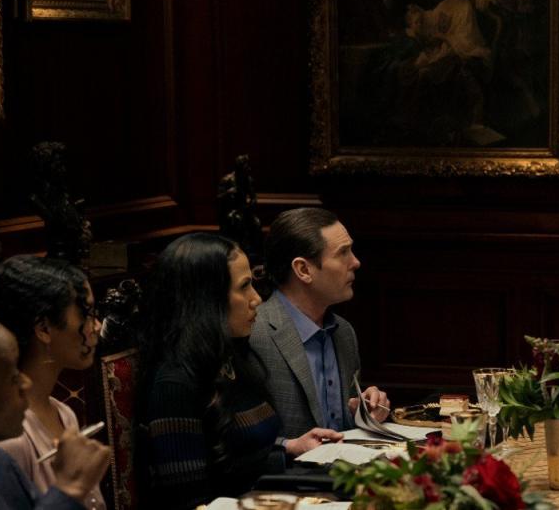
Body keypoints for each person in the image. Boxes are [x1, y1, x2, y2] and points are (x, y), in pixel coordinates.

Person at [135, 233, 341, 510]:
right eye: (244, 287)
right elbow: (192, 503)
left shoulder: (230, 357)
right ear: (206, 299)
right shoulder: (175, 384)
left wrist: (289, 448)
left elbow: (239, 463)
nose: (256, 299)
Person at [251, 208, 389, 441]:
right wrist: (289, 446)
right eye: (343, 253)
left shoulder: (344, 332)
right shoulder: (256, 334)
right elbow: (239, 445)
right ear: (303, 270)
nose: (356, 262)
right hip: (288, 475)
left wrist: (362, 410)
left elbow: (341, 428)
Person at [0, 255, 107, 509]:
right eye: (86, 314)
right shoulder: (10, 436)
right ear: (44, 328)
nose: (96, 326)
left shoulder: (64, 413)